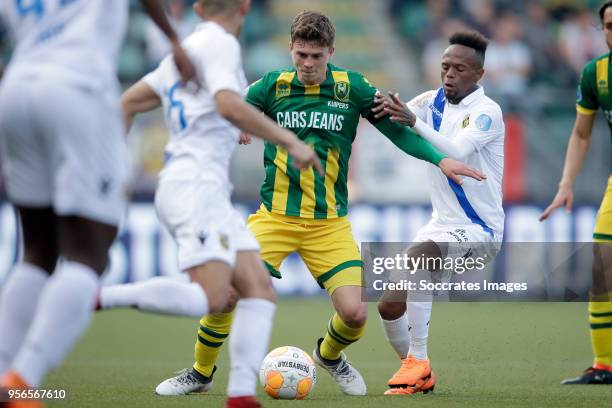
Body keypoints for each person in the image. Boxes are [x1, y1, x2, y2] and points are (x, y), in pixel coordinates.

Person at [153, 10, 486, 398]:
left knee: (355, 313)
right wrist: (238, 123)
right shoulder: (271, 86)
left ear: (331, 51)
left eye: (316, 56)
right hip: (273, 219)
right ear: (290, 49)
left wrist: (440, 159)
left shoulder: (353, 87)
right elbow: (229, 108)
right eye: (301, 55)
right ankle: (200, 373)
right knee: (226, 293)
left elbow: (397, 133)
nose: (308, 64)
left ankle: (328, 356)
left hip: (330, 224)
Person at [97, 1, 322, 407]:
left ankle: (240, 396)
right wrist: (289, 141)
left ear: (199, 8)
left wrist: (114, 172)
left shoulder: (186, 49)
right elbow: (227, 104)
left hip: (198, 188)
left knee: (257, 291)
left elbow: (127, 103)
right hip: (196, 186)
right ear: (245, 7)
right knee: (213, 299)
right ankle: (97, 297)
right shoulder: (220, 44)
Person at [0, 0, 195, 407]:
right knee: (88, 254)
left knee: (37, 251)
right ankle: (22, 382)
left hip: (16, 85)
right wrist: (174, 39)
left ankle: (4, 374)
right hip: (77, 86)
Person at [372, 30, 505, 395]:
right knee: (388, 304)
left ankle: (418, 360)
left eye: (459, 68)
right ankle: (417, 371)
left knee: (417, 260)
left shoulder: (486, 113)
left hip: (480, 230)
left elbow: (457, 152)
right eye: (445, 66)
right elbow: (389, 112)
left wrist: (413, 122)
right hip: (441, 225)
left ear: (478, 74)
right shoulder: (431, 100)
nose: (449, 74)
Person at [539, 1, 612, 386]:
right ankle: (604, 366)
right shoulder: (596, 74)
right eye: (610, 25)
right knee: (602, 271)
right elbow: (581, 133)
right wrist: (565, 183)